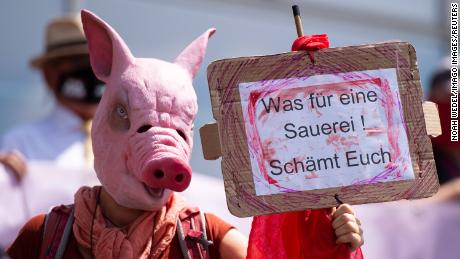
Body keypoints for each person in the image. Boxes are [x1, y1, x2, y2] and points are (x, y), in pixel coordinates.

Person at [7, 10, 363, 259]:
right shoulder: (43, 238)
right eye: (136, 121)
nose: (163, 143)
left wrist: (323, 244)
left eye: (178, 127)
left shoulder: (211, 241)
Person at [0, 14, 104, 249]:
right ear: (49, 74)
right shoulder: (18, 144)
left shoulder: (129, 142)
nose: (88, 70)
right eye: (76, 61)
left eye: (96, 61)